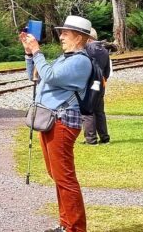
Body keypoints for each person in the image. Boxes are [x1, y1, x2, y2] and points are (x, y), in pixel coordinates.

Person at [20, 15, 93, 232]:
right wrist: (29, 54)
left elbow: (49, 76)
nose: (60, 36)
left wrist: (37, 51)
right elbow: (36, 77)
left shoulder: (80, 61)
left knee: (65, 178)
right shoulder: (66, 58)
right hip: (51, 121)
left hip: (62, 121)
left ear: (79, 37)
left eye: (65, 33)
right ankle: (66, 224)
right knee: (57, 175)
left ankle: (75, 228)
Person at [82, 28, 112, 145]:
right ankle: (104, 138)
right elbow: (107, 70)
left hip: (90, 83)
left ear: (88, 38)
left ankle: (91, 139)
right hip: (101, 83)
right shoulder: (104, 50)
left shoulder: (87, 49)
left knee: (87, 111)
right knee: (99, 112)